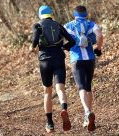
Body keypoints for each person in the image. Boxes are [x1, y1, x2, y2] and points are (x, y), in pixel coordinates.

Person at [30, 5, 75, 133]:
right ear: (51, 14)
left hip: (45, 62)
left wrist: (32, 48)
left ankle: (50, 124)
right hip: (58, 59)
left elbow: (34, 41)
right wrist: (63, 48)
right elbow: (72, 42)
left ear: (40, 15)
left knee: (47, 92)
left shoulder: (37, 25)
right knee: (60, 88)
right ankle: (64, 109)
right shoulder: (58, 25)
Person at [64, 5, 103, 131]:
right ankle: (89, 114)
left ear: (74, 14)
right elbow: (100, 36)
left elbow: (61, 40)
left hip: (76, 59)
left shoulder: (68, 26)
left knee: (81, 87)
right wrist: (98, 48)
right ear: (86, 14)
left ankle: (87, 112)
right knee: (88, 87)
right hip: (90, 59)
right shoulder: (91, 24)